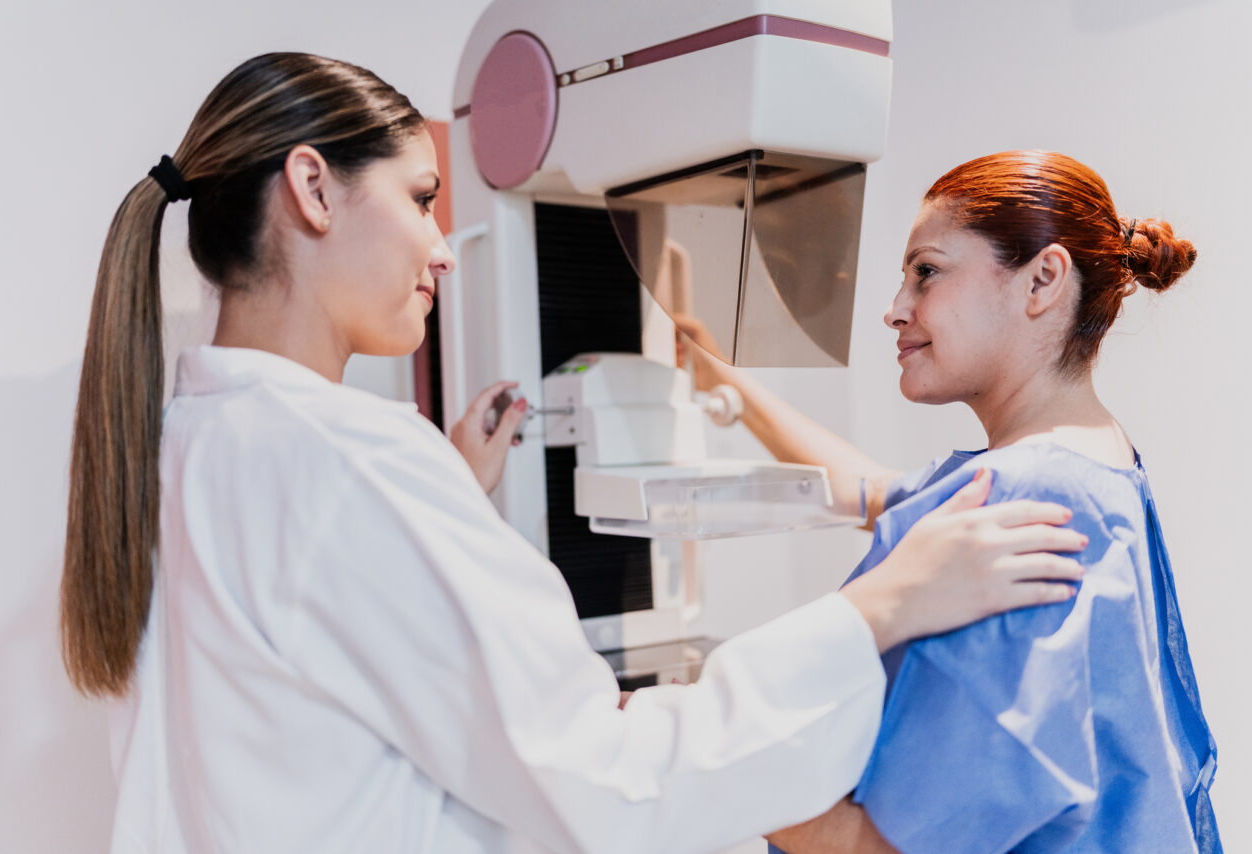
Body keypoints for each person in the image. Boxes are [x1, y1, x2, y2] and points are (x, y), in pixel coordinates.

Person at [60, 54, 1088, 854]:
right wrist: (876, 609)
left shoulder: (176, 443)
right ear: (312, 189)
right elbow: (603, 780)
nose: (440, 245)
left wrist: (447, 499)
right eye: (420, 198)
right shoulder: (351, 463)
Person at [677, 151, 1220, 852]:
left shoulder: (1029, 494)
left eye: (926, 272)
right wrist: (720, 378)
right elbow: (870, 491)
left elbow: (894, 845)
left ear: (1043, 280)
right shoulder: (1093, 460)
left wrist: (683, 756)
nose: (895, 309)